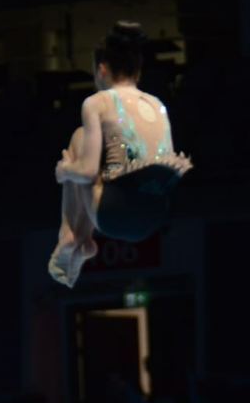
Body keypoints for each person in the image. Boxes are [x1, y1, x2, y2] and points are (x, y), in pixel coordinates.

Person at [49, 20, 192, 289]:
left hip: (114, 214)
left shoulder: (97, 102)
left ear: (102, 69)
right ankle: (81, 239)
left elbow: (88, 172)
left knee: (80, 138)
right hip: (155, 215)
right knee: (114, 152)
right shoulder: (158, 104)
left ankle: (71, 234)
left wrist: (64, 170)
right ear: (138, 72)